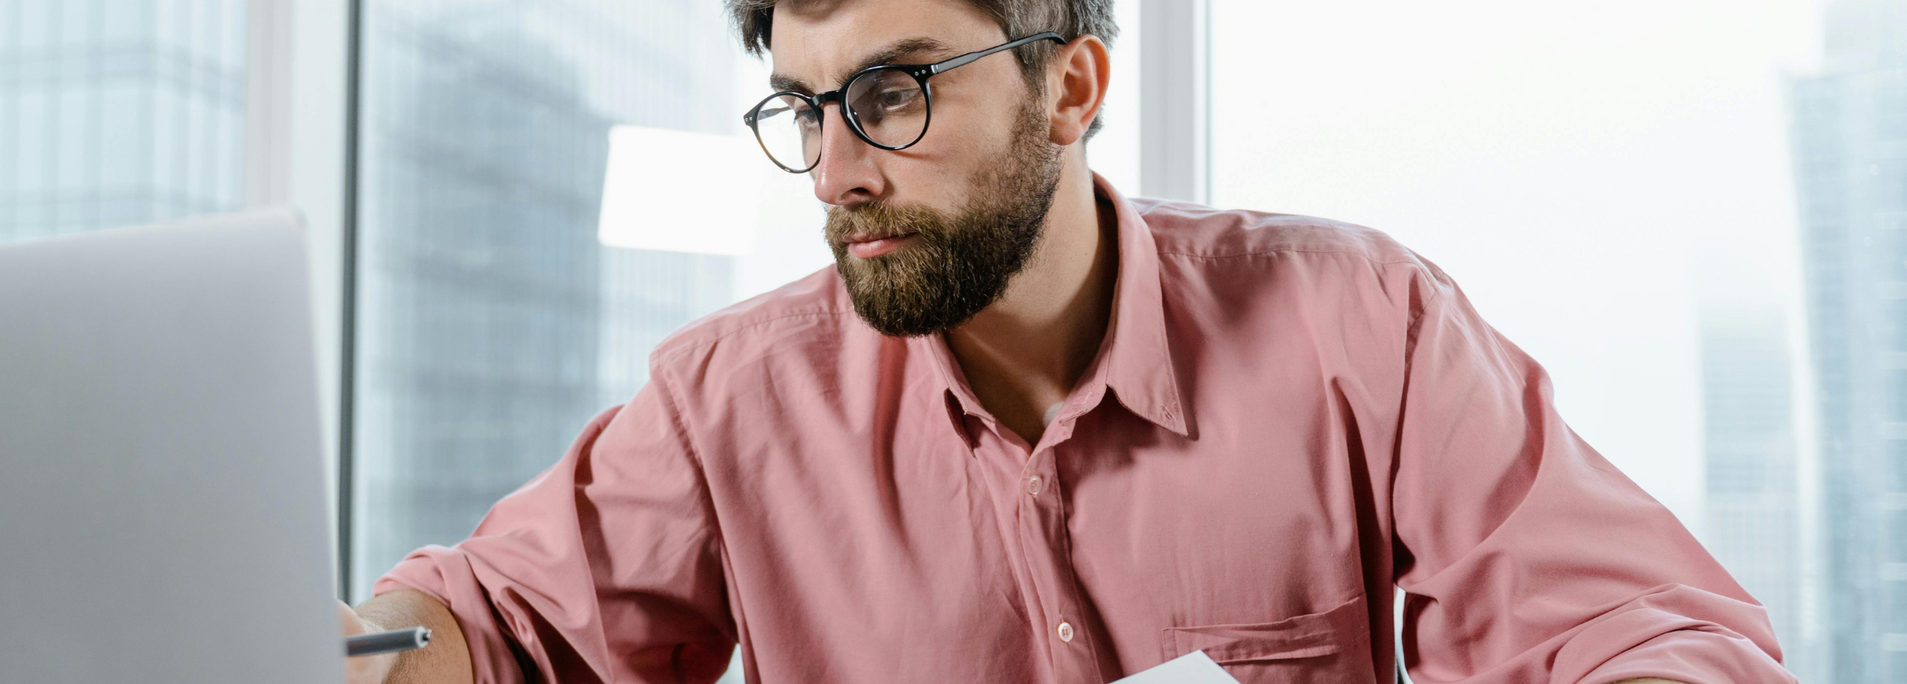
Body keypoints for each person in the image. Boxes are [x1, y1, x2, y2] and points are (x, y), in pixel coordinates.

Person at [339, 0, 1795, 682]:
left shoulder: (1358, 321)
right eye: (805, 106)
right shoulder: (731, 403)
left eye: (897, 92)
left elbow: (1645, 634)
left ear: (1069, 85)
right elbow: (499, 628)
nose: (839, 168)